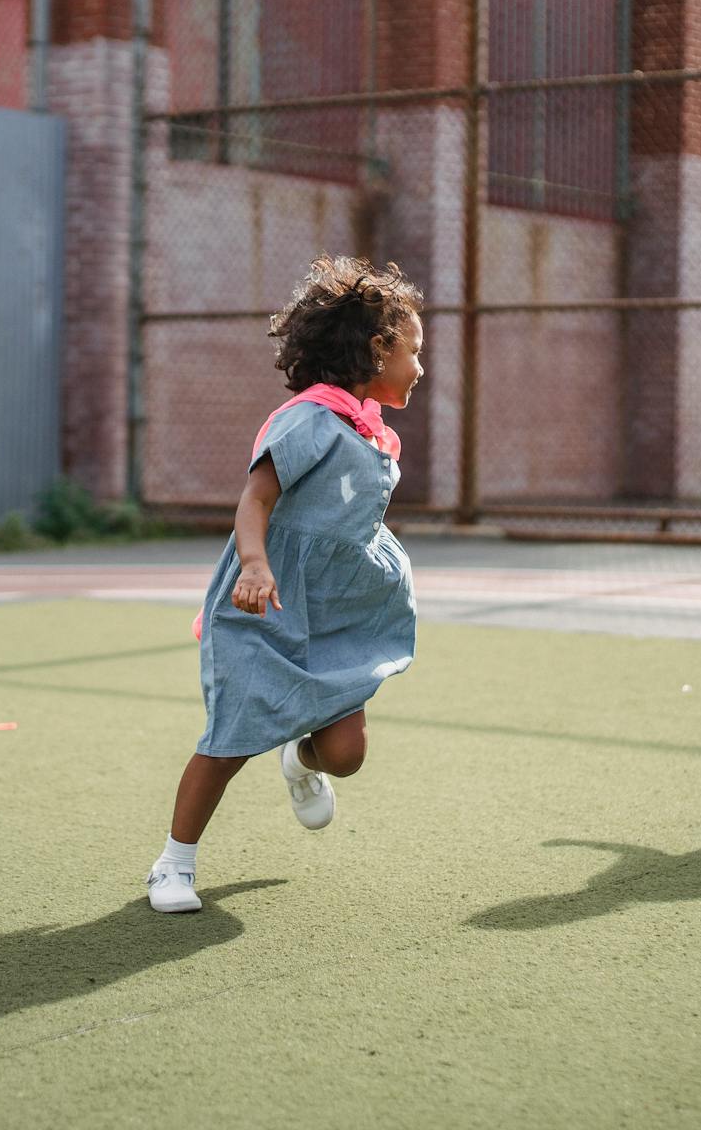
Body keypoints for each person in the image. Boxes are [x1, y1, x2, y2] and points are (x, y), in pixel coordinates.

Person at [146, 256, 425, 914]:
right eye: (413, 352)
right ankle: (172, 865)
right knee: (231, 739)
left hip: (336, 612)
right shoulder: (306, 422)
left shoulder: (369, 433)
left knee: (346, 754)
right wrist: (254, 564)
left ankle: (300, 760)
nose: (419, 368)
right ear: (376, 349)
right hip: (264, 603)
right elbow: (256, 500)